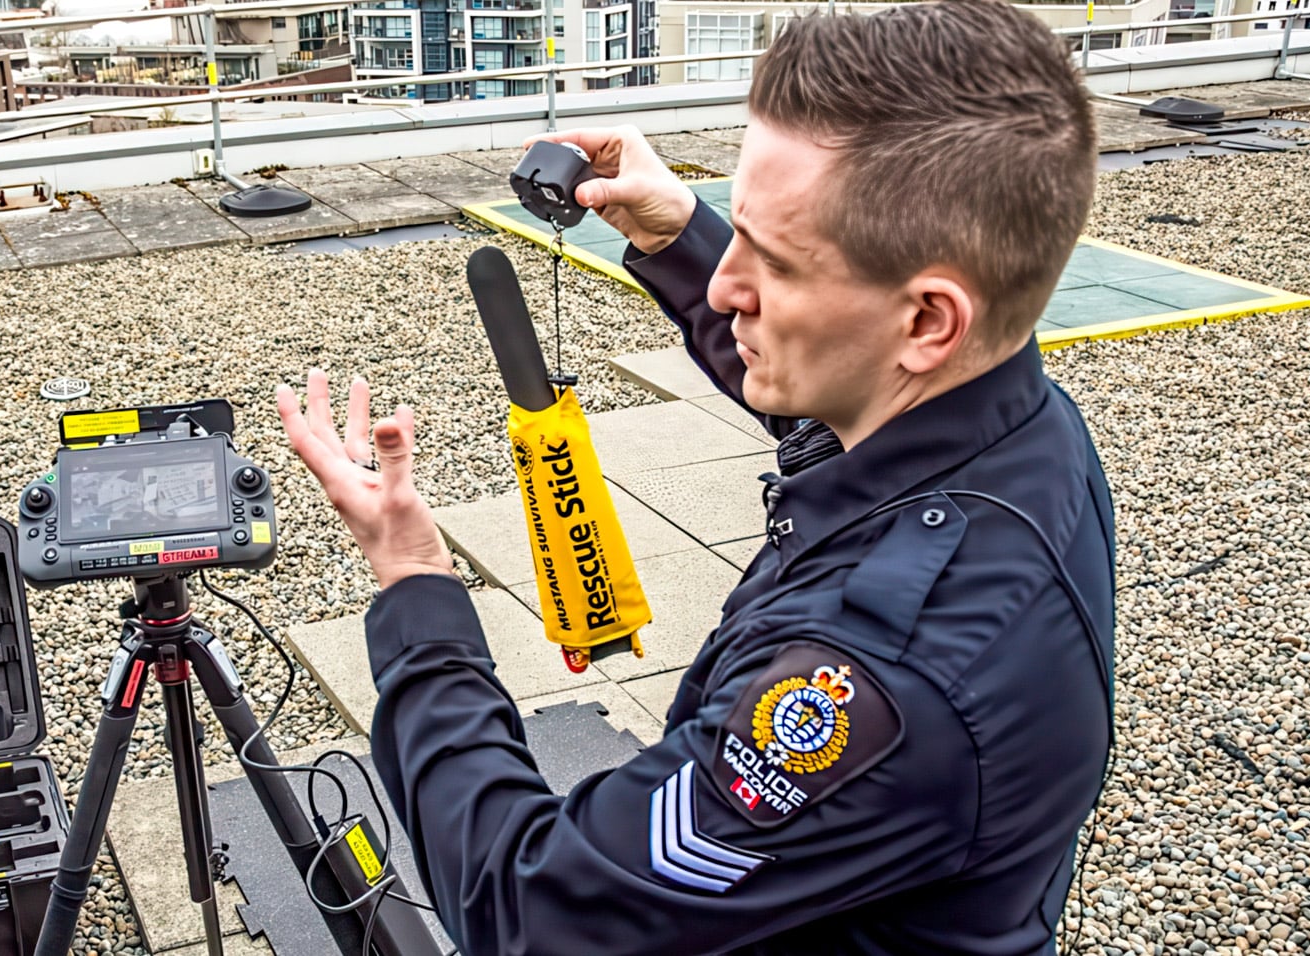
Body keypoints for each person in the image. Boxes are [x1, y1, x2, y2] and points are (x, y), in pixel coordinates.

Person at [275, 1, 1116, 952]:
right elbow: (815, 411)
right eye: (740, 232)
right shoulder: (1004, 417)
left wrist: (417, 583)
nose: (726, 287)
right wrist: (677, 233)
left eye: (777, 261)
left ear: (928, 322)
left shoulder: (872, 682)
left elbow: (530, 916)